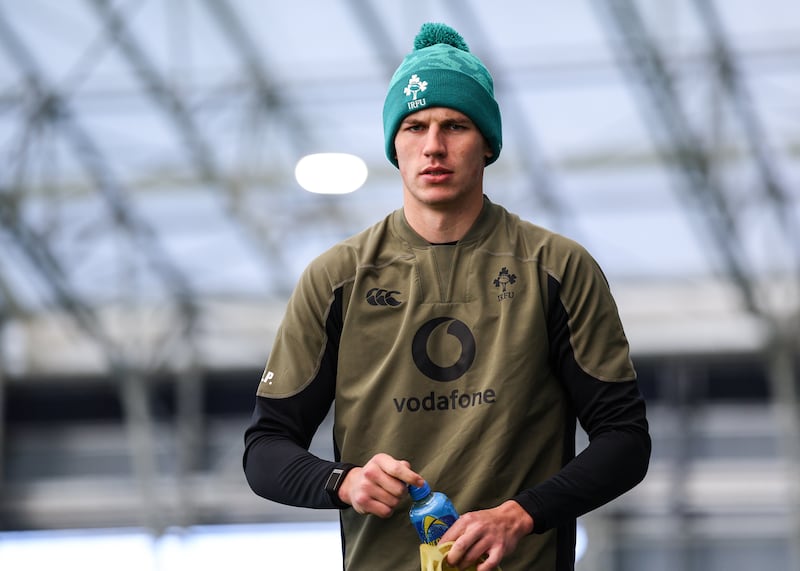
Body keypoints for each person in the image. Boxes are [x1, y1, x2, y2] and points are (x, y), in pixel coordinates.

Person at [243, 22, 650, 571]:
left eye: (454, 125)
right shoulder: (336, 279)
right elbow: (266, 448)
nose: (433, 145)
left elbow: (625, 442)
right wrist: (344, 481)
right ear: (394, 145)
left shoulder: (555, 269)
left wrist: (521, 515)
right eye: (414, 127)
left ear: (486, 143)